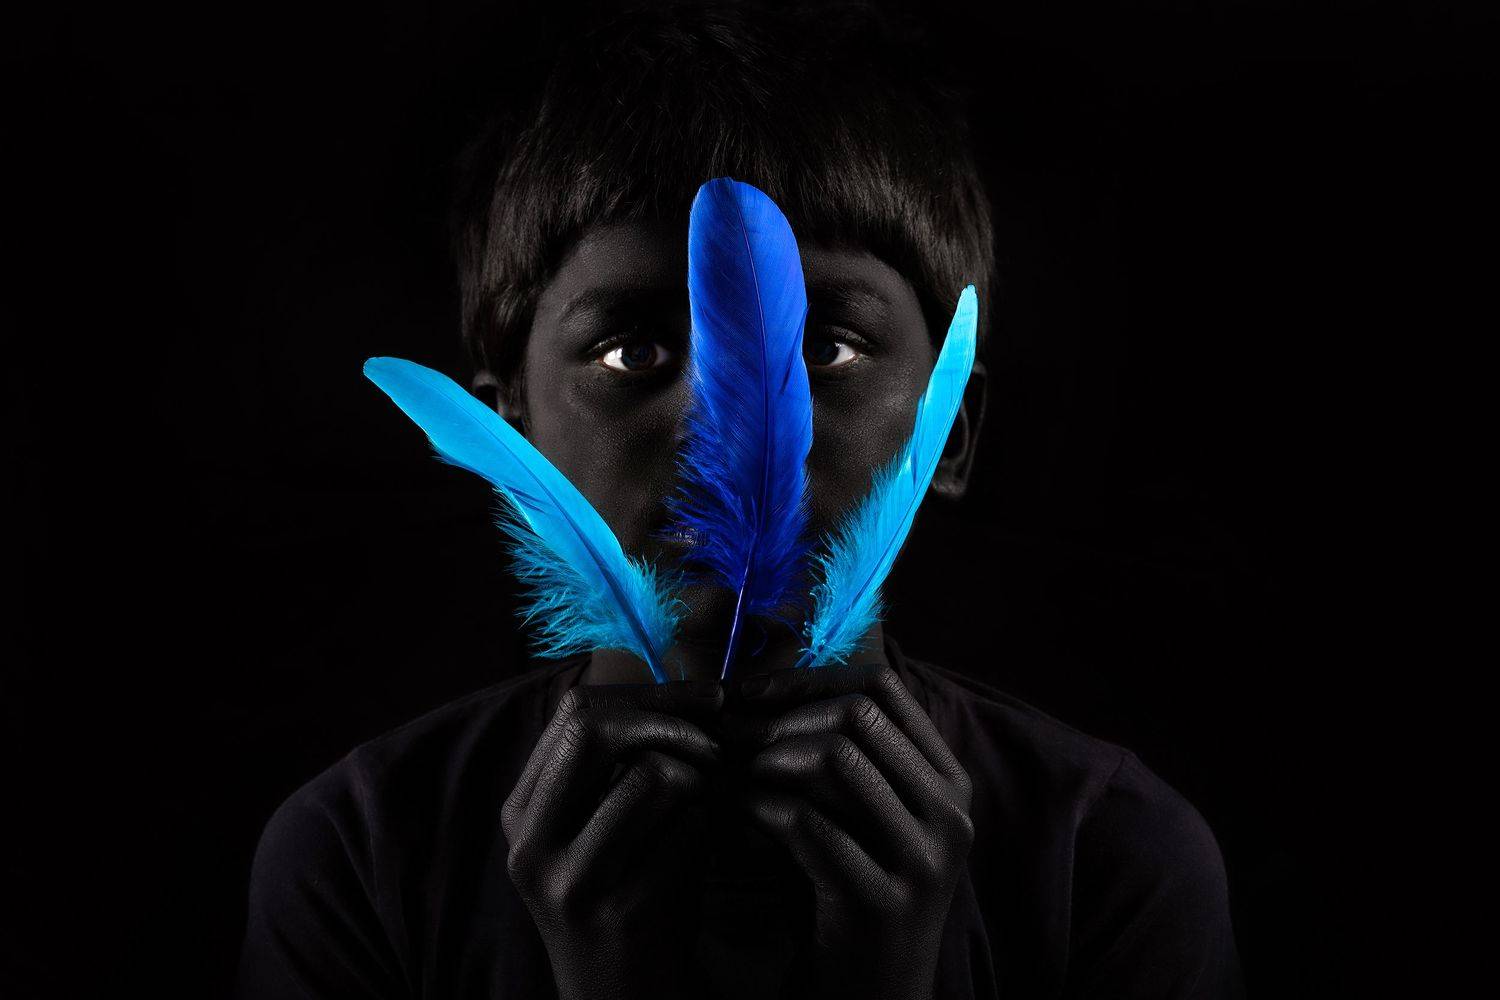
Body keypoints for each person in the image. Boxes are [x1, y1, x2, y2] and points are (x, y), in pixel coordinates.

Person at [233, 2, 1244, 997]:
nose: (721, 424)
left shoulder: (1110, 857)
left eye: (825, 347)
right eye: (633, 351)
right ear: (514, 437)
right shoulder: (358, 857)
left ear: (951, 431)